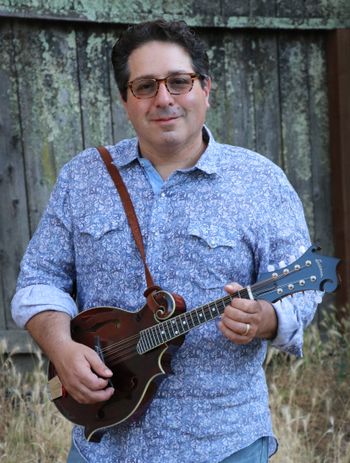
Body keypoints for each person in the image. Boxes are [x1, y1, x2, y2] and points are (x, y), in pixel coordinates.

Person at [11, 19, 321, 463]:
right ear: (125, 100)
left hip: (222, 444)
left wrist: (267, 318)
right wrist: (60, 348)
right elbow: (40, 279)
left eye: (179, 81)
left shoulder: (261, 182)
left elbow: (302, 287)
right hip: (102, 444)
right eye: (145, 86)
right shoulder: (85, 177)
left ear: (205, 89)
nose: (164, 99)